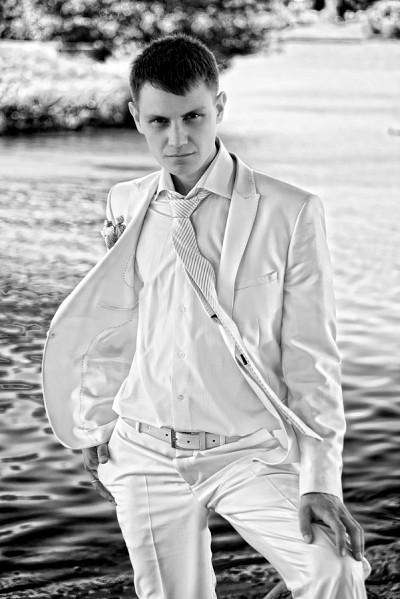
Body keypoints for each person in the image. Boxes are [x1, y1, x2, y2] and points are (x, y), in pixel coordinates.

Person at [42, 34, 371, 599]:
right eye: (159, 121)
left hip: (248, 450)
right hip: (142, 450)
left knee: (333, 571)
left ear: (219, 106)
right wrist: (96, 422)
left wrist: (321, 481)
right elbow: (117, 323)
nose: (178, 139)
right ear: (136, 118)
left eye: (193, 116)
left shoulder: (291, 211)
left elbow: (312, 357)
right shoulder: (125, 201)